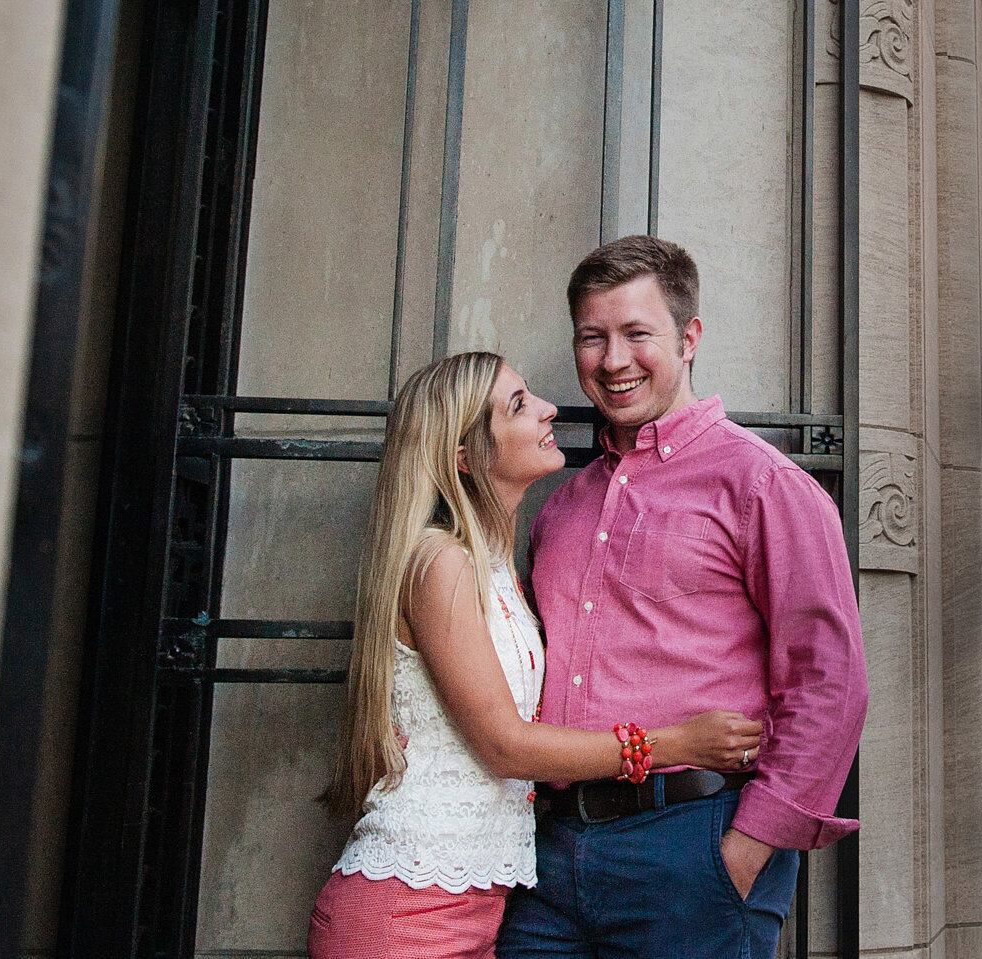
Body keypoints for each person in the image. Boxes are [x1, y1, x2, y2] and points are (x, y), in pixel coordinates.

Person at [313, 349, 764, 958]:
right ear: (464, 457)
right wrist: (678, 744)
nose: (550, 408)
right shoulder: (439, 562)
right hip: (407, 909)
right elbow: (504, 745)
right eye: (519, 405)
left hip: (479, 906)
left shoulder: (495, 565)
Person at [499, 237, 869, 959]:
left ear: (689, 337)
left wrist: (744, 849)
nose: (613, 360)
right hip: (547, 855)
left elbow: (829, 683)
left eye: (637, 333)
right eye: (592, 336)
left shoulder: (763, 485)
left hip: (691, 847)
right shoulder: (561, 505)